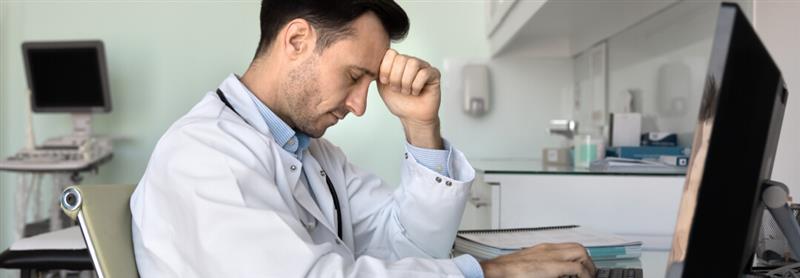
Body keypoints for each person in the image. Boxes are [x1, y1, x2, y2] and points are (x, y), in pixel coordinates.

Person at [129, 1, 596, 277]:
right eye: (354, 76)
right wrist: (489, 272)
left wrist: (420, 127)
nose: (359, 105)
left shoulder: (311, 153)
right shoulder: (203, 156)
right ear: (296, 41)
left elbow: (414, 247)